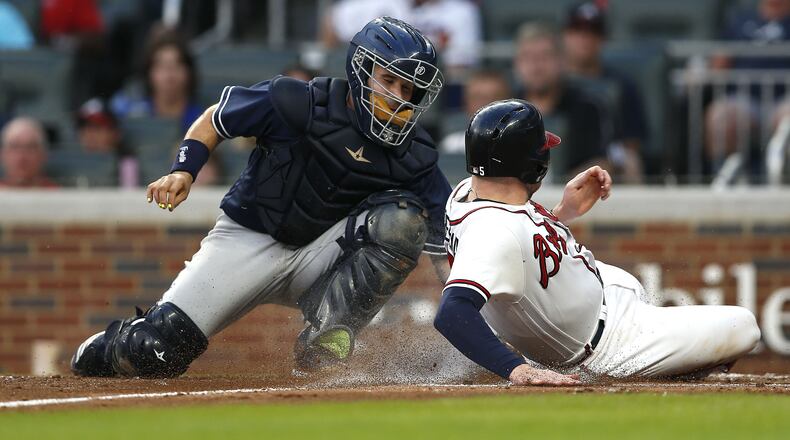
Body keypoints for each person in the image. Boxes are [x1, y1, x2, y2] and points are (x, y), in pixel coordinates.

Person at [70, 17, 450, 378]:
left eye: (409, 90)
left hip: (322, 256)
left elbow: (444, 245)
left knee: (401, 222)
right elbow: (216, 119)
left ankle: (327, 342)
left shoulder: (416, 153)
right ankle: (113, 344)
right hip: (249, 238)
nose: (399, 99)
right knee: (156, 351)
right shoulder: (298, 101)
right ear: (361, 71)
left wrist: (471, 304)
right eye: (389, 81)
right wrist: (183, 169)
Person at [434, 99, 761, 385]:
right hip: (611, 346)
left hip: (610, 300)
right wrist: (516, 369)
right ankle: (665, 370)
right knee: (744, 326)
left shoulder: (468, 191)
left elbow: (518, 247)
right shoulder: (494, 231)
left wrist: (561, 213)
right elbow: (452, 312)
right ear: (533, 165)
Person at [562, 1, 647, 183]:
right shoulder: (553, 82)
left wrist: (610, 159)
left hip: (606, 160)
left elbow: (632, 141)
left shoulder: (622, 84)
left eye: (593, 31)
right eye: (578, 30)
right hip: (560, 156)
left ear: (603, 38)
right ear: (565, 35)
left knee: (630, 161)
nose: (585, 38)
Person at [514, 22, 609, 184]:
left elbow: (600, 163)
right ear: (516, 64)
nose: (536, 65)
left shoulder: (586, 108)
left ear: (562, 61)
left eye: (545, 56)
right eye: (528, 57)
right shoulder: (505, 109)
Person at [111, 29, 203, 134]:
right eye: (161, 66)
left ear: (189, 72)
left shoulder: (202, 120)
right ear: (149, 73)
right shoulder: (132, 113)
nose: (169, 73)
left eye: (177, 64)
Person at [440, 69, 511, 154]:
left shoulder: (521, 144)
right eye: (478, 98)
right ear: (466, 103)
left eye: (494, 98)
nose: (486, 105)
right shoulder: (451, 146)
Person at [76, 98, 139, 188]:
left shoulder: (126, 166)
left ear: (116, 134)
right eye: (84, 128)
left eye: (97, 128)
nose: (90, 135)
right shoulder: (71, 166)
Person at [0, 117, 58, 188]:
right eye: (14, 147)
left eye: (30, 147)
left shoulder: (60, 195)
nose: (22, 156)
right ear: (2, 154)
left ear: (43, 155)